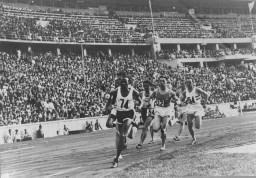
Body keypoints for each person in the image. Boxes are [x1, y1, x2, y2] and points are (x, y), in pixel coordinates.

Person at [111, 74, 142, 168]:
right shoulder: (117, 91)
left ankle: (116, 159)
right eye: (122, 82)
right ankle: (134, 126)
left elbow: (140, 101)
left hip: (129, 113)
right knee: (128, 135)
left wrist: (138, 107)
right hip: (120, 114)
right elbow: (112, 101)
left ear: (129, 84)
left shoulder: (133, 91)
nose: (123, 83)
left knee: (122, 135)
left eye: (125, 82)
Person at [148, 76, 179, 151]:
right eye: (160, 81)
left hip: (167, 110)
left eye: (163, 81)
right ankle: (170, 122)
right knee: (155, 129)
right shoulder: (156, 91)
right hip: (158, 109)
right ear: (158, 82)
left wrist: (176, 100)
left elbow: (177, 99)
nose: (162, 82)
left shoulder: (170, 92)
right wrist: (149, 103)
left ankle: (163, 145)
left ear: (166, 82)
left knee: (163, 127)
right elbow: (150, 97)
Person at [180, 78, 210, 145]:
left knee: (197, 126)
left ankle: (199, 118)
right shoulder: (185, 91)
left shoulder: (196, 89)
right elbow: (181, 98)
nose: (188, 84)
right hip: (189, 108)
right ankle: (194, 138)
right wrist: (183, 102)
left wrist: (205, 103)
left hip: (197, 107)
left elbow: (206, 94)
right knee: (189, 124)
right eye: (187, 83)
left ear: (192, 83)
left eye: (189, 82)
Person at [136, 80, 155, 149]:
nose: (145, 87)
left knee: (145, 127)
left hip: (151, 111)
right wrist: (138, 106)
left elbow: (155, 102)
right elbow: (139, 102)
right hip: (143, 112)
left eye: (147, 86)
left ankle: (140, 143)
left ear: (150, 86)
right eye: (144, 86)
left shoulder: (154, 93)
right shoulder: (141, 93)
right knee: (148, 127)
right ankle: (153, 138)